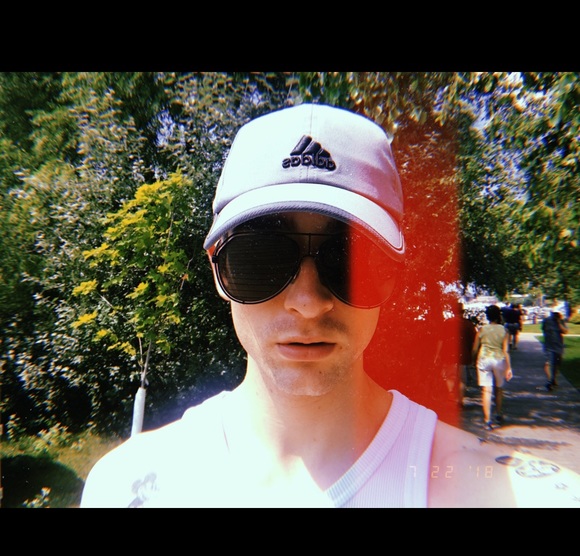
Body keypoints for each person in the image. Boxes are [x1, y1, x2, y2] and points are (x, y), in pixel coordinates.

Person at [81, 103, 580, 508]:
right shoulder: (124, 488)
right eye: (260, 258)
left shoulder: (516, 497)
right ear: (218, 268)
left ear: (394, 274)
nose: (307, 303)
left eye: (347, 259)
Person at [472, 304, 512, 430]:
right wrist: (509, 367)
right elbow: (506, 350)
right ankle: (499, 414)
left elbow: (474, 349)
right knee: (499, 389)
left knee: (486, 390)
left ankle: (487, 420)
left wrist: (473, 360)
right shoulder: (504, 330)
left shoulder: (482, 329)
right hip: (498, 359)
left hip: (484, 359)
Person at [433, 302, 477, 406]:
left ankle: (451, 395)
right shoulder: (468, 324)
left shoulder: (447, 322)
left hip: (449, 354)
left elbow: (441, 340)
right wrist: (473, 356)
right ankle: (460, 400)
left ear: (452, 311)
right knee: (462, 379)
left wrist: (437, 354)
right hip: (464, 354)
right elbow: (474, 341)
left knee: (450, 376)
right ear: (463, 311)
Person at [542, 310, 568, 391]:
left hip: (558, 345)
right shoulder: (546, 320)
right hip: (549, 345)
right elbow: (543, 329)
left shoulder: (561, 321)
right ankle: (549, 381)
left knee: (557, 363)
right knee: (548, 363)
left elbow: (565, 331)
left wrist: (559, 322)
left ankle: (553, 379)